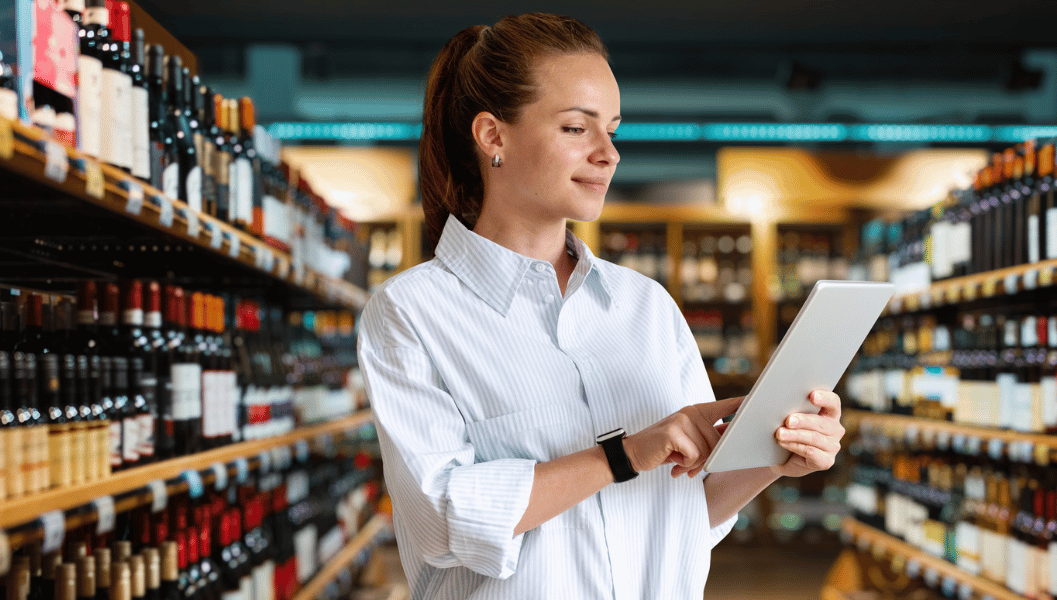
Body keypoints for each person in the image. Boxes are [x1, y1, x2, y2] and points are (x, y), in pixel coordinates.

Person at [357, 13, 847, 600]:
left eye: (611, 130)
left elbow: (684, 515)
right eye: (575, 128)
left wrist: (773, 458)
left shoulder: (646, 307)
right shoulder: (412, 313)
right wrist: (623, 455)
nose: (608, 154)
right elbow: (438, 519)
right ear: (493, 137)